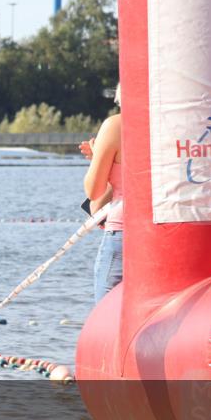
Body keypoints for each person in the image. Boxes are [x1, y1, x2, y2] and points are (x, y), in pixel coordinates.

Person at [82, 83, 123, 304]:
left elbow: (94, 192)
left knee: (108, 311)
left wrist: (99, 158)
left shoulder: (116, 126)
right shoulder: (172, 125)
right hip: (167, 227)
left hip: (124, 231)